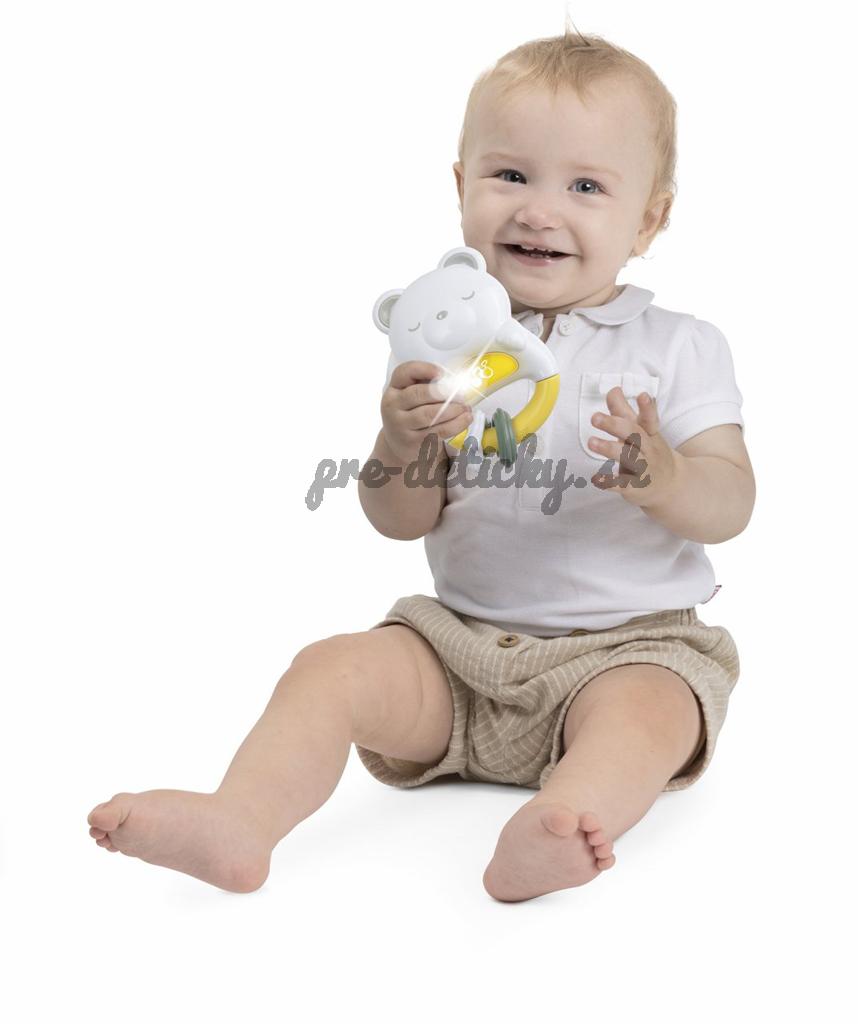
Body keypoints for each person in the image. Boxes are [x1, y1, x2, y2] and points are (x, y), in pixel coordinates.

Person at [87, 28, 755, 903]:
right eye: (510, 175)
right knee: (329, 666)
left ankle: (558, 823)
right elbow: (399, 521)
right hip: (458, 650)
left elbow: (732, 500)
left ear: (649, 219)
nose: (539, 211)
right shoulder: (448, 345)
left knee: (650, 715)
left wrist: (665, 477)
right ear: (461, 187)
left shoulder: (679, 347)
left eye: (586, 186)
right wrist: (402, 444)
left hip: (626, 648)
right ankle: (241, 818)